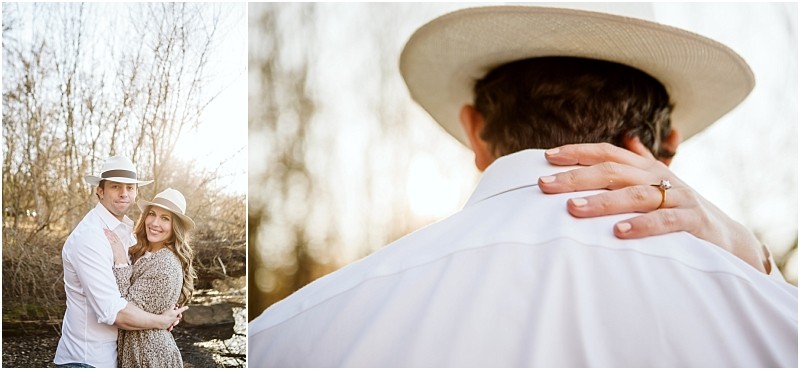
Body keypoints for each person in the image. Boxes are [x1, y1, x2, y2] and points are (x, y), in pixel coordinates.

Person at [248, 5, 797, 367]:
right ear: (666, 143)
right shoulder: (776, 326)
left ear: (473, 129)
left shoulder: (288, 336)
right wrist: (758, 264)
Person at [55, 156, 188, 368]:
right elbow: (114, 312)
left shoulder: (127, 234)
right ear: (100, 191)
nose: (124, 193)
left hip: (114, 358)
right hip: (88, 359)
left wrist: (163, 309)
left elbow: (143, 285)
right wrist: (161, 321)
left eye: (129, 187)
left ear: (136, 192)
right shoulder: (90, 237)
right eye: (115, 186)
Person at [105, 188, 197, 368]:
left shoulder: (165, 265)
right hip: (137, 349)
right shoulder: (147, 252)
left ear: (175, 226)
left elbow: (123, 308)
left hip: (150, 355)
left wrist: (121, 261)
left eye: (165, 218)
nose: (155, 223)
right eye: (152, 214)